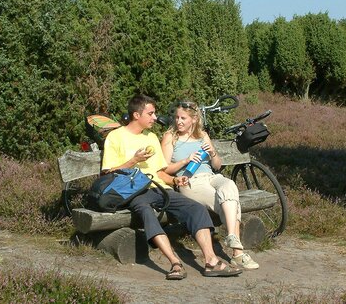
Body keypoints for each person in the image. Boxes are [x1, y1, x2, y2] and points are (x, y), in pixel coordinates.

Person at [101, 94, 242, 280]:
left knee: (196, 209)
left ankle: (211, 261)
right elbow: (107, 173)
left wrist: (175, 181)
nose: (155, 118)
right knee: (147, 213)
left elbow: (160, 172)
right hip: (134, 190)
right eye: (150, 114)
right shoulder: (116, 137)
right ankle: (175, 263)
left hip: (160, 189)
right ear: (137, 115)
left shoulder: (151, 137)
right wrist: (133, 161)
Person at [160, 101, 259, 270]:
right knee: (230, 203)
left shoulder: (203, 135)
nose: (179, 121)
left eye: (183, 118)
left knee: (229, 185)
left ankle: (232, 239)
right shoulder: (171, 137)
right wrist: (186, 160)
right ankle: (238, 253)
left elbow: (217, 166)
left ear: (194, 119)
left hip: (211, 177)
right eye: (176, 117)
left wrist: (213, 153)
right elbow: (164, 169)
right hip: (190, 181)